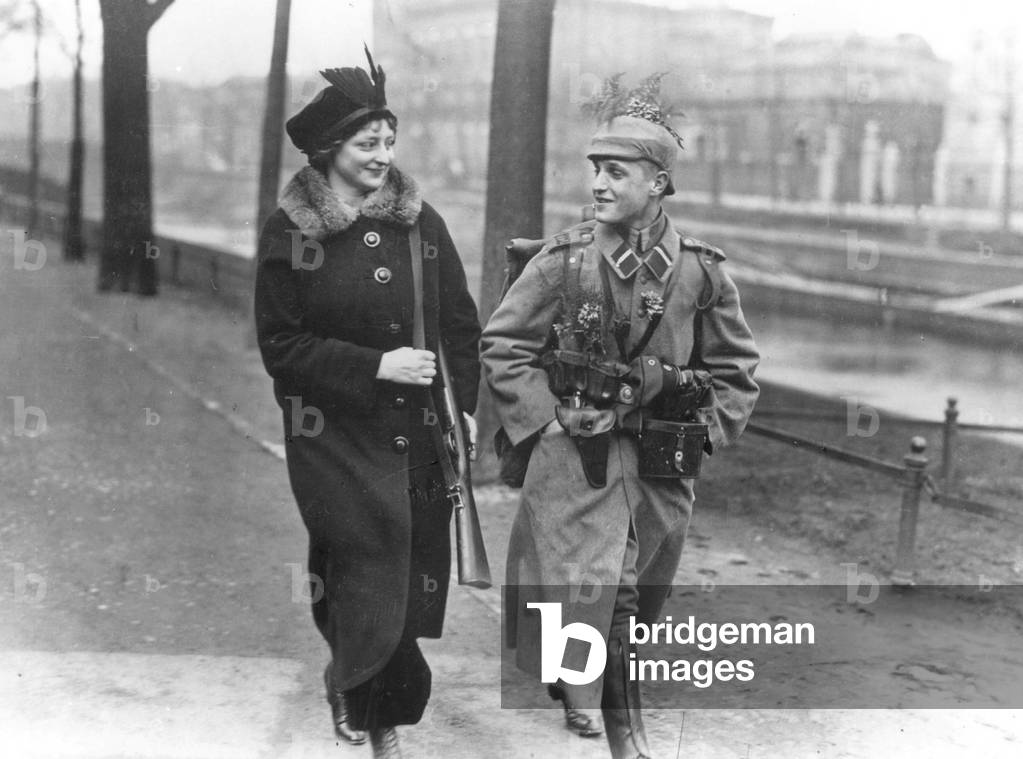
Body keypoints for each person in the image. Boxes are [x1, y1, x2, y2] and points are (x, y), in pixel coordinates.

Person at [480, 74, 759, 759]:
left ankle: (574, 676)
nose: (599, 184)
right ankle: (626, 740)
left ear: (658, 183)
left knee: (631, 599)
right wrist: (547, 417)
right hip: (576, 467)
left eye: (616, 171)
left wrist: (703, 432)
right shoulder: (564, 260)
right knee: (609, 600)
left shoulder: (700, 273)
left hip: (660, 471)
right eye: (595, 170)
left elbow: (736, 371)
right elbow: (504, 344)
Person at [254, 49, 481, 758]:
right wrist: (376, 365)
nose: (383, 155)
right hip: (330, 432)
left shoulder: (421, 223)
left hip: (418, 432)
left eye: (389, 140)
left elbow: (459, 324)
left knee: (407, 571)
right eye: (367, 143)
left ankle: (353, 679)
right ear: (329, 150)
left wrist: (467, 408)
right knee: (362, 557)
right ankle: (378, 715)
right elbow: (282, 346)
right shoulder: (291, 232)